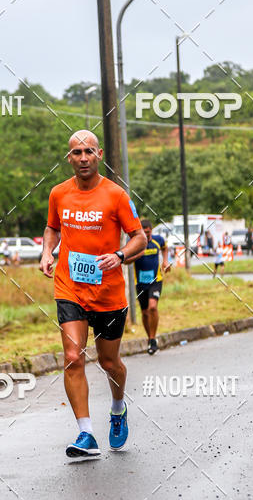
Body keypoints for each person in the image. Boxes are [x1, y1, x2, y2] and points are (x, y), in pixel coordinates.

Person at [39, 130, 146, 460]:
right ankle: (86, 433)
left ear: (99, 154)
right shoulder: (58, 193)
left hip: (109, 291)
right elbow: (52, 227)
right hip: (69, 285)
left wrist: (120, 256)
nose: (83, 157)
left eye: (88, 151)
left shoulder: (115, 195)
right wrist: (47, 252)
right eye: (76, 153)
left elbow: (139, 237)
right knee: (73, 357)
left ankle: (117, 408)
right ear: (68, 158)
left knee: (109, 362)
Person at [126, 219, 169, 355]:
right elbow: (126, 261)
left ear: (152, 230)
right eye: (144, 233)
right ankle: (150, 338)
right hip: (140, 283)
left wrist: (165, 261)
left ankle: (153, 338)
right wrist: (139, 253)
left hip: (156, 280)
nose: (147, 235)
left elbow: (165, 247)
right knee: (145, 312)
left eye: (149, 232)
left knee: (152, 307)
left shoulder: (158, 240)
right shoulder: (134, 243)